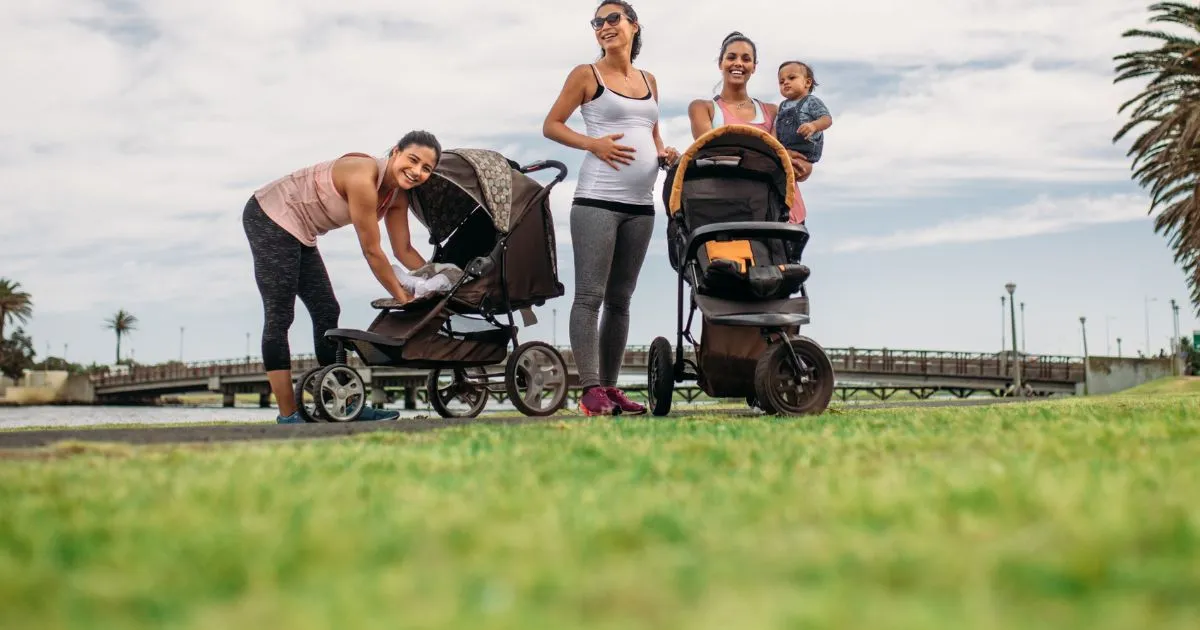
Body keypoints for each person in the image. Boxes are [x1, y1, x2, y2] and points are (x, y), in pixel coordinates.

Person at [242, 130, 442, 424]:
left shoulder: (397, 195)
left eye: (426, 169)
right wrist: (404, 298)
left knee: (327, 310)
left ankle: (345, 408)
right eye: (412, 160)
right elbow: (372, 251)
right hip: (270, 215)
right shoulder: (364, 177)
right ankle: (289, 415)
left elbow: (403, 250)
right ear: (396, 152)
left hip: (302, 230)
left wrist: (442, 278)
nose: (416, 172)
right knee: (280, 315)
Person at [543, 0, 679, 417]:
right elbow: (552, 124)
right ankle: (589, 391)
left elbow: (649, 131)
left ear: (634, 26)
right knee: (590, 296)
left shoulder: (649, 79)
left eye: (612, 19)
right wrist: (593, 144)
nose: (603, 26)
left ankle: (611, 388)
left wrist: (661, 152)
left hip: (641, 205)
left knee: (621, 300)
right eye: (597, 22)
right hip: (596, 200)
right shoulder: (587, 75)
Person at [687, 32, 813, 225]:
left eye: (746, 59)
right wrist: (777, 157)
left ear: (753, 67)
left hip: (782, 210)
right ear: (720, 63)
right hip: (730, 209)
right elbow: (712, 152)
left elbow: (795, 157)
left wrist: (804, 166)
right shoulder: (702, 108)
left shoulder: (772, 111)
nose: (738, 63)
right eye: (731, 57)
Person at [774, 60, 833, 166]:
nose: (786, 82)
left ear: (807, 82)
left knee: (795, 169)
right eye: (781, 82)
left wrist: (813, 125)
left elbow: (827, 119)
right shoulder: (782, 105)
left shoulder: (810, 101)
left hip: (805, 152)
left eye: (791, 78)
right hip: (785, 150)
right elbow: (776, 128)